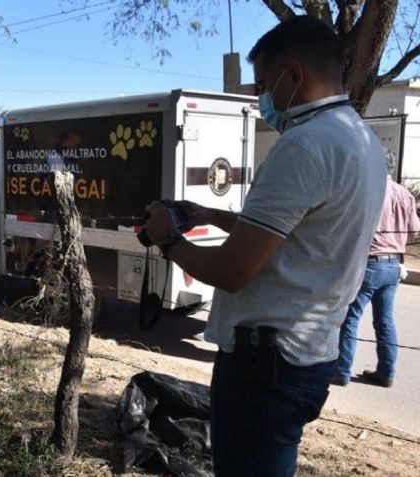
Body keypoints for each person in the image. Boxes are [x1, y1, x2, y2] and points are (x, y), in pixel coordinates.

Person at [142, 16, 386, 477]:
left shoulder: (305, 145)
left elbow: (234, 272)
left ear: (295, 75)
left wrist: (167, 238)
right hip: (307, 354)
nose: (260, 100)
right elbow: (301, 233)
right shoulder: (360, 139)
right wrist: (213, 215)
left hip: (266, 365)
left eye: (263, 86)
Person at [334, 168, 420, 387]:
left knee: (351, 317)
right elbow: (412, 233)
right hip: (394, 264)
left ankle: (342, 371)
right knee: (385, 321)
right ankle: (386, 372)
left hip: (369, 262)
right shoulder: (404, 193)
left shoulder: (369, 192)